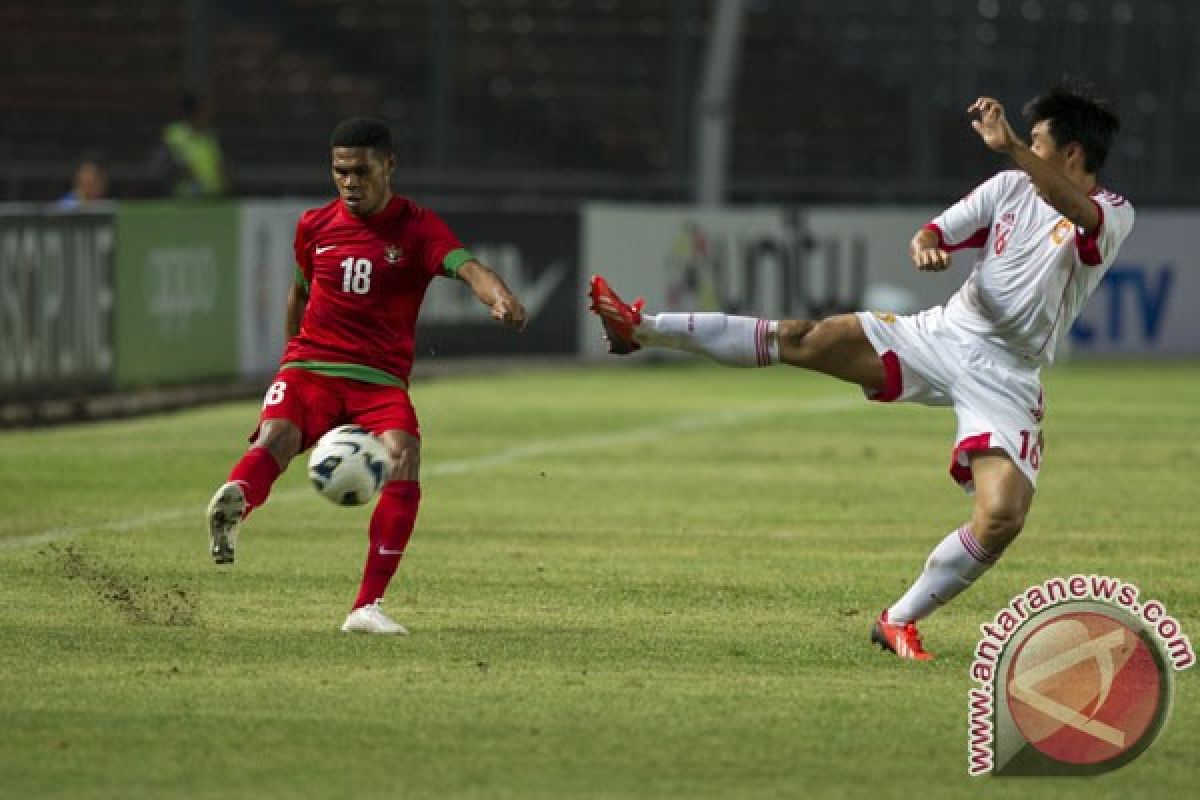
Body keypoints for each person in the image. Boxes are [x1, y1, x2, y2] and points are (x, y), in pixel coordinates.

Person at [588, 82, 1133, 660]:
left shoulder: (1112, 215)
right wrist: (927, 246)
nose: (1028, 149)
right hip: (943, 333)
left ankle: (898, 619)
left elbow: (1077, 210)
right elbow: (935, 230)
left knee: (1001, 518)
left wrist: (1011, 147)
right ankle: (640, 328)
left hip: (1008, 374)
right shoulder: (1008, 187)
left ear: (1071, 154)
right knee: (803, 336)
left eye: (1039, 142)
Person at [206, 117, 527, 635]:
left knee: (403, 453)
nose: (350, 183)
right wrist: (288, 361)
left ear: (389, 166)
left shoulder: (418, 229)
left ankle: (366, 607)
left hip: (378, 379)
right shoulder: (313, 225)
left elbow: (470, 268)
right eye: (340, 172)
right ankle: (233, 506)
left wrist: (501, 298)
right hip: (311, 366)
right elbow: (300, 294)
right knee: (279, 434)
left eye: (361, 171)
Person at [157, 92, 228, 197]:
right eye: (205, 110)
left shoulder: (209, 134)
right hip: (187, 196)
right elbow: (173, 163)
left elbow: (218, 162)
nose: (210, 113)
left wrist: (223, 182)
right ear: (194, 112)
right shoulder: (173, 132)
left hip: (214, 195)